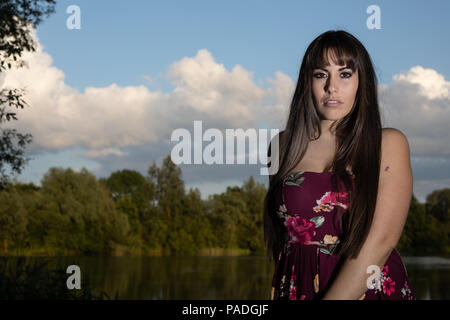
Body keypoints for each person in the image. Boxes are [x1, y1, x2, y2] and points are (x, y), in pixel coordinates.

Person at [263, 30, 416, 300]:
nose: (331, 86)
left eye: (345, 74)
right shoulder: (281, 146)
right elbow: (280, 238)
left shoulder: (388, 143)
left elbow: (381, 241)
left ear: (361, 82)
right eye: (321, 74)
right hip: (298, 286)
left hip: (365, 288)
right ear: (307, 82)